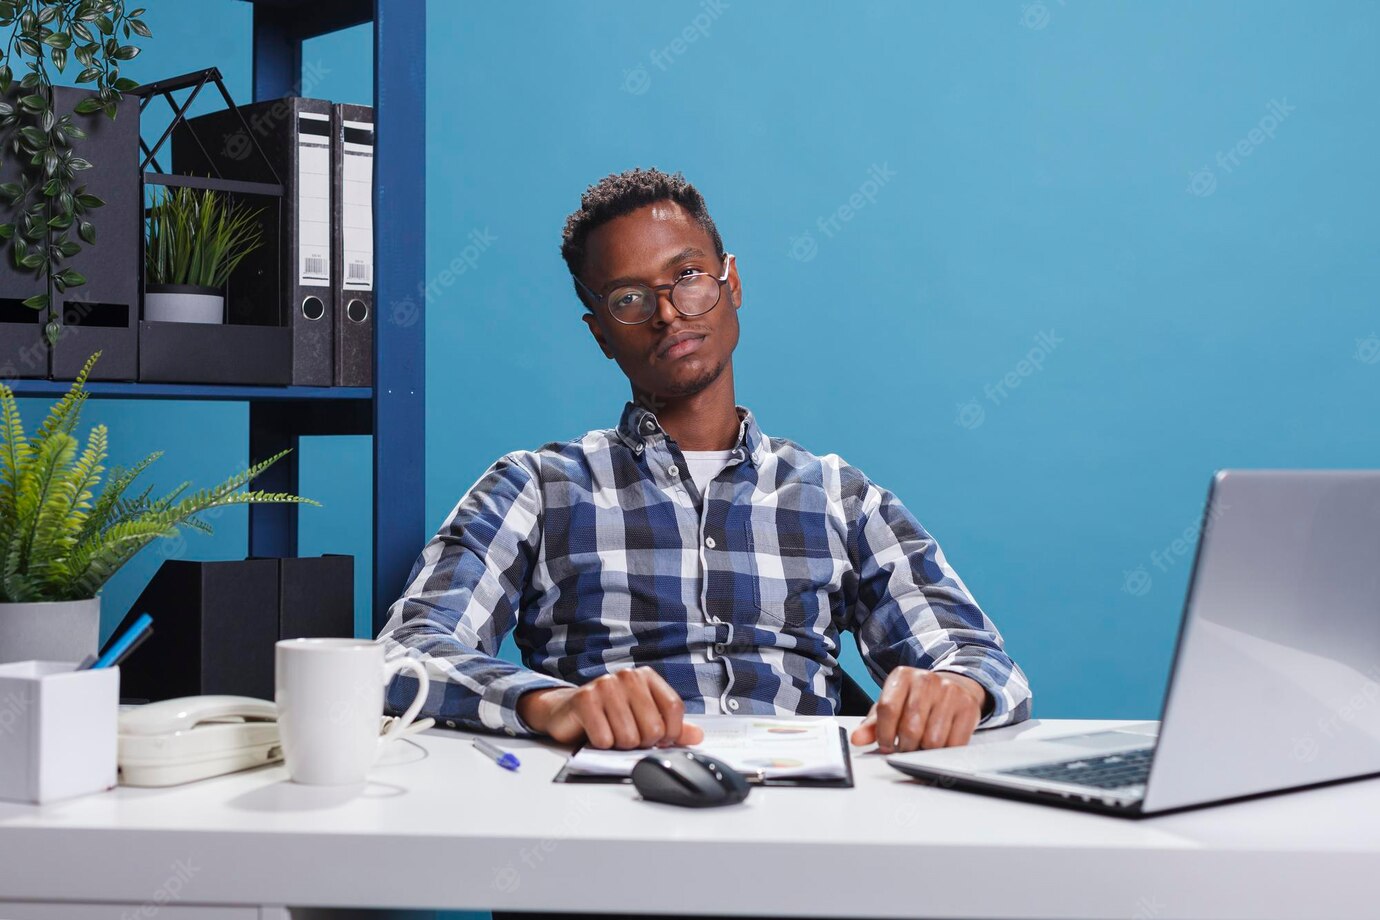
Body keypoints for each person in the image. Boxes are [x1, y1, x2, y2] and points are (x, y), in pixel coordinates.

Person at [378, 168, 1031, 754]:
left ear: (731, 283)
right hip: (604, 824)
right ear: (600, 332)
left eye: (686, 276)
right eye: (629, 299)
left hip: (805, 831)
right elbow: (402, 658)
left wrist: (956, 690)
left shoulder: (838, 495)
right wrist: (551, 702)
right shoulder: (534, 488)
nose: (667, 314)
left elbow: (983, 664)